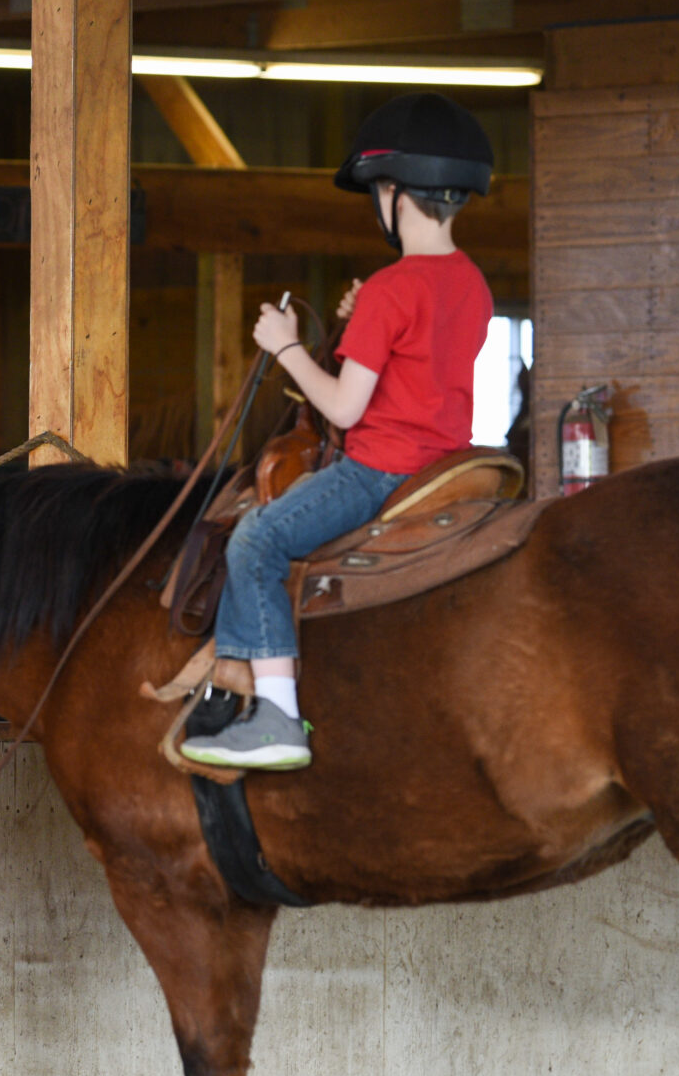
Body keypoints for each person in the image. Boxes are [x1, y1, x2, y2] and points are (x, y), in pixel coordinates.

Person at [181, 93, 497, 772]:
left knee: (255, 539)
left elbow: (345, 409)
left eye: (377, 191)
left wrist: (286, 345)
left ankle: (275, 718)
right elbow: (421, 354)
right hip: (442, 466)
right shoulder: (473, 283)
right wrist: (364, 319)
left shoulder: (390, 288)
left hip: (377, 471)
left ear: (394, 194)